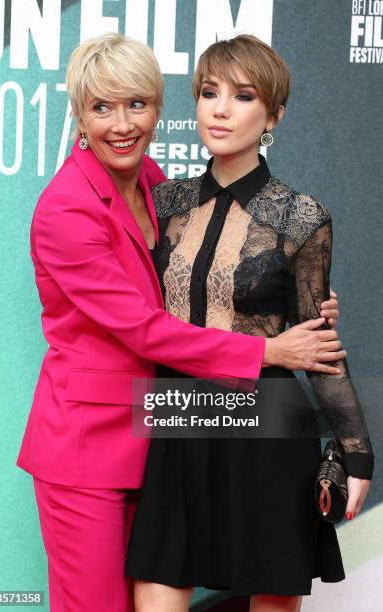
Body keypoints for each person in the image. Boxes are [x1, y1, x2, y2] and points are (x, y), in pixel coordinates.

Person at [16, 33, 343, 612]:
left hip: (163, 436)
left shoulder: (153, 183)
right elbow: (144, 327)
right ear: (79, 114)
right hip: (87, 450)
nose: (122, 125)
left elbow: (200, 281)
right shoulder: (66, 209)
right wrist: (266, 352)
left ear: (158, 110)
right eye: (102, 107)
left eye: (136, 105)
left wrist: (288, 296)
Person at [125, 35, 374, 612]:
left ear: (274, 115)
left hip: (268, 435)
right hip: (176, 429)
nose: (219, 108)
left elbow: (318, 345)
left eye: (242, 96)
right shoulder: (163, 202)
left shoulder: (302, 216)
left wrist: (357, 453)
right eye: (210, 92)